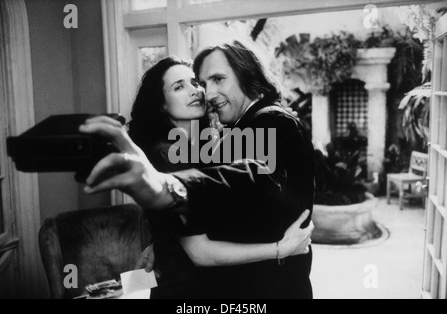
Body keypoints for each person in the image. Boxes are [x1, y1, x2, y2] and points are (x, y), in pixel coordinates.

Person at [80, 40, 315, 299]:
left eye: (198, 83)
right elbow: (194, 253)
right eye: (179, 87)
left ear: (246, 76)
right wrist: (280, 249)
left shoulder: (214, 145)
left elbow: (250, 182)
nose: (201, 92)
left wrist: (129, 280)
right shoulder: (169, 154)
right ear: (161, 104)